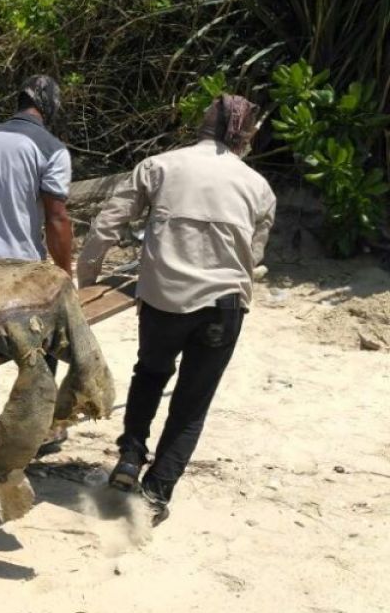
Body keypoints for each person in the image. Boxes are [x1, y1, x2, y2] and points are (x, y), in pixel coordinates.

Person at [77, 94, 276, 524]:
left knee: (150, 373)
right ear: (243, 135)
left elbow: (108, 224)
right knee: (191, 403)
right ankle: (155, 494)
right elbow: (253, 258)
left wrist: (87, 279)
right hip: (223, 308)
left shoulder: (159, 166)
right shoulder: (258, 187)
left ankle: (130, 457)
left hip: (163, 300)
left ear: (202, 126)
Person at [0, 74, 74, 479]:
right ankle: (28, 441)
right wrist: (64, 273)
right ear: (50, 107)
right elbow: (57, 217)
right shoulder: (53, 150)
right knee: (44, 353)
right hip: (18, 275)